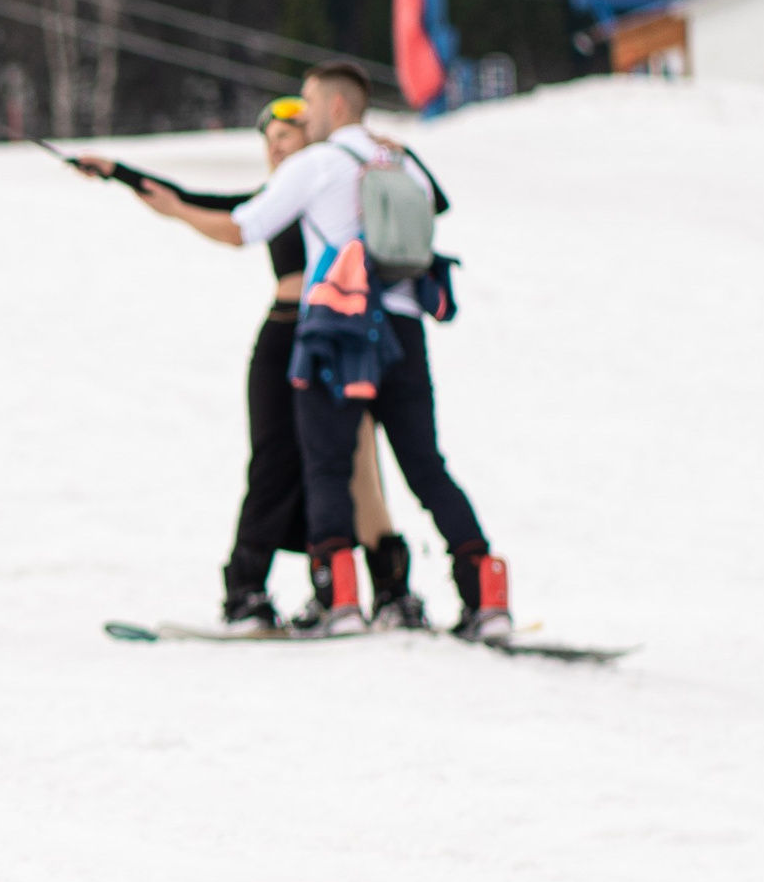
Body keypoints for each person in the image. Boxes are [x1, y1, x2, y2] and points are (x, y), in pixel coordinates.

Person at [128, 63, 509, 641]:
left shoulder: (318, 163)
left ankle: (342, 601)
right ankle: (488, 599)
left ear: (334, 108)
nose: (302, 116)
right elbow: (433, 208)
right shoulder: (400, 160)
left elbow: (243, 228)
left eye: (307, 104)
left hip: (337, 328)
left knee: (327, 464)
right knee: (426, 467)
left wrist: (177, 210)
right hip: (405, 330)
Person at [76, 98, 411, 633]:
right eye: (270, 138)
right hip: (290, 333)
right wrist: (120, 173)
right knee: (276, 462)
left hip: (334, 333)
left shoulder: (337, 183)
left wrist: (392, 150)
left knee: (357, 466)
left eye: (289, 134)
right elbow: (199, 201)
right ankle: (249, 589)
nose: (277, 146)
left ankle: (388, 589)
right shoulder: (278, 195)